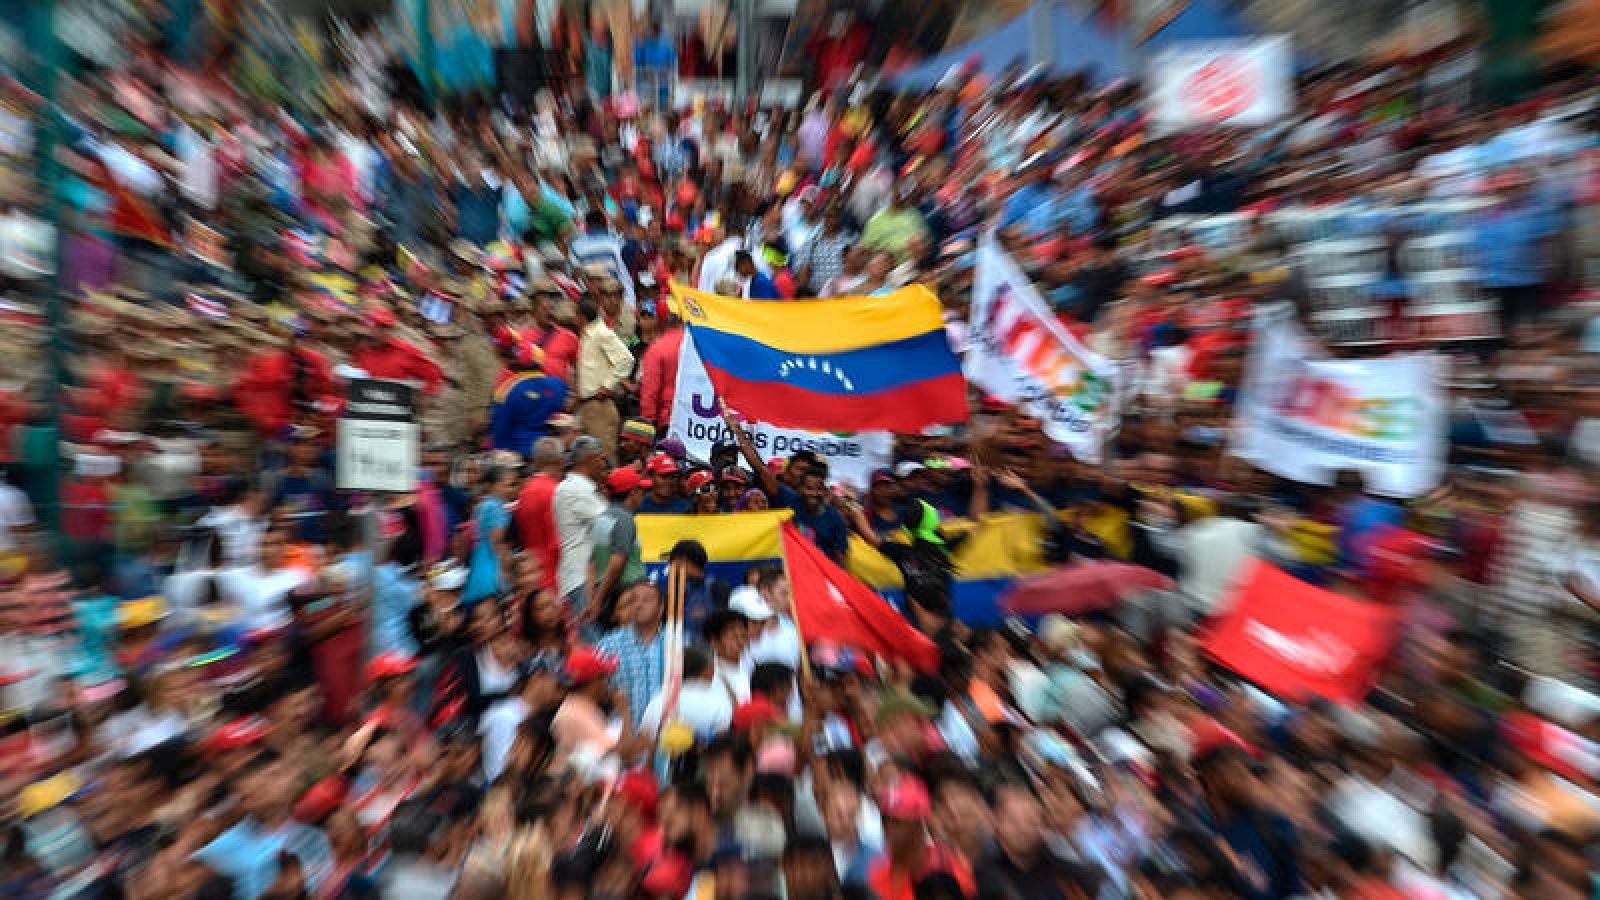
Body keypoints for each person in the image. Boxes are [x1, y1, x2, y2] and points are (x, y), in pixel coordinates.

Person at [596, 581, 666, 725]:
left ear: (661, 609)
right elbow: (596, 692)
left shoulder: (677, 644)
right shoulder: (607, 646)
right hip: (625, 738)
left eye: (647, 599)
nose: (639, 604)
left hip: (667, 737)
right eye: (633, 599)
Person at [554, 436, 609, 618]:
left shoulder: (581, 489)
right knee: (593, 643)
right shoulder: (574, 490)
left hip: (585, 578)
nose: (604, 465)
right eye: (602, 459)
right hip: (581, 580)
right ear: (590, 460)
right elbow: (611, 526)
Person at [573, 297, 634, 457]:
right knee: (589, 458)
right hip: (588, 406)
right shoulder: (588, 334)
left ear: (581, 316)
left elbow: (626, 359)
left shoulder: (602, 333)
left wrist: (607, 385)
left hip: (599, 406)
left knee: (603, 456)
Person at [489, 342, 567, 456]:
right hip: (553, 450)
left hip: (521, 452)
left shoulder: (506, 390)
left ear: (517, 363)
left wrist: (502, 456)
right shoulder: (558, 384)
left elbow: (500, 430)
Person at [591, 466, 648, 617]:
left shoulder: (601, 517)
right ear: (633, 493)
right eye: (641, 490)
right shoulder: (624, 519)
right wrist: (597, 600)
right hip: (629, 592)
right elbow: (617, 562)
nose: (643, 495)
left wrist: (594, 596)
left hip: (609, 593)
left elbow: (591, 563)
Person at [515, 437, 565, 595]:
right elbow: (556, 542)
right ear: (561, 461)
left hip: (530, 571)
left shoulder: (525, 491)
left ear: (535, 462)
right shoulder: (554, 492)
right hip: (553, 574)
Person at [463, 466, 517, 605]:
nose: (513, 489)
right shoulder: (495, 508)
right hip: (493, 576)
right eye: (509, 485)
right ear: (494, 486)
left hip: (479, 570)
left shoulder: (482, 505)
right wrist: (506, 573)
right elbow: (498, 544)